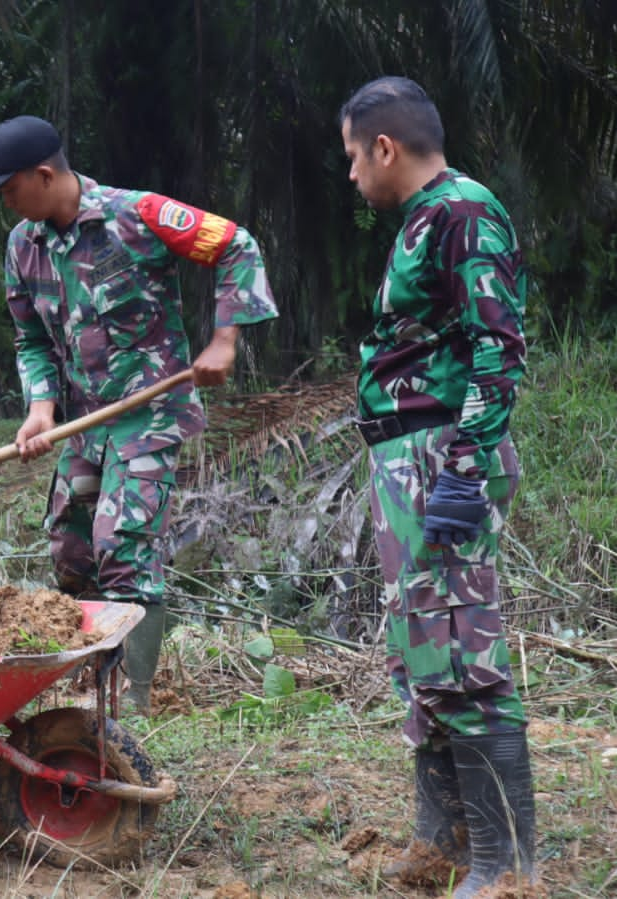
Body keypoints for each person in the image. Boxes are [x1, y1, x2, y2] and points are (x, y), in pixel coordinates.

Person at [0, 115, 278, 712]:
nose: (5, 203)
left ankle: (134, 700)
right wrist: (40, 408)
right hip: (86, 422)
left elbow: (235, 246)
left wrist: (225, 340)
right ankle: (96, 676)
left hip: (149, 413)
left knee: (124, 544)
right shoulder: (22, 247)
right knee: (71, 548)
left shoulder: (139, 216)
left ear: (44, 174)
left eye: (9, 189)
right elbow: (30, 337)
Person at [339, 76, 536, 897]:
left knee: (461, 650)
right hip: (407, 456)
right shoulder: (428, 219)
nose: (350, 175)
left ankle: (504, 864)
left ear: (383, 146)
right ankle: (445, 839)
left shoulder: (460, 212)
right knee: (423, 653)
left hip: (440, 459)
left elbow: (499, 346)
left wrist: (462, 468)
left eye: (352, 156)